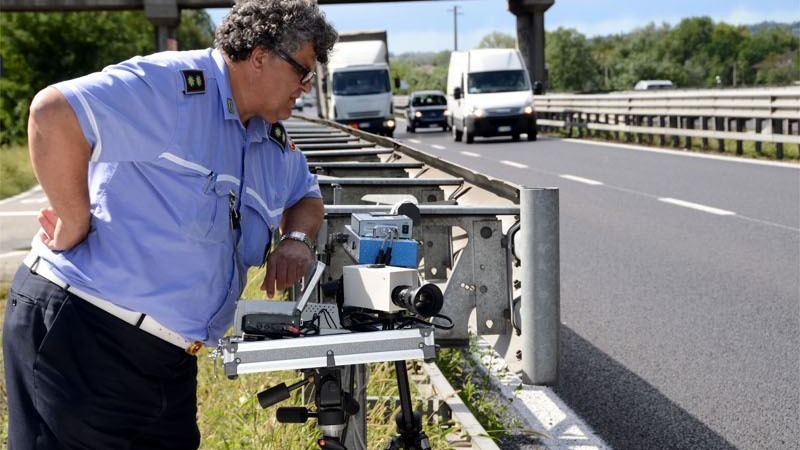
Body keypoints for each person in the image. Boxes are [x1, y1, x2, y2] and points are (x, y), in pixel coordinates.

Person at [2, 1, 337, 448]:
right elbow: (53, 113)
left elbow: (307, 196)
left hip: (168, 360)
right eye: (302, 72)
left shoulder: (269, 140)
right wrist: (73, 219)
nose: (305, 87)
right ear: (261, 56)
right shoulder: (172, 88)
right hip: (85, 334)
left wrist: (296, 239)